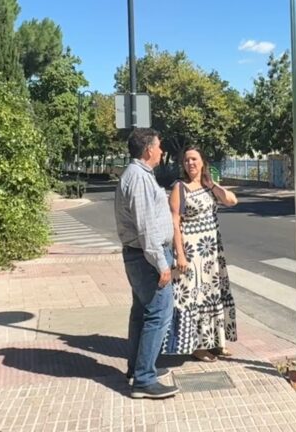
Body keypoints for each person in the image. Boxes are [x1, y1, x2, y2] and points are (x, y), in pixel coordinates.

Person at [114, 128, 179, 399]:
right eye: (159, 146)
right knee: (159, 314)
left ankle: (138, 369)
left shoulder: (138, 175)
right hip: (146, 256)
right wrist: (161, 263)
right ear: (148, 149)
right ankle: (143, 379)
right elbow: (146, 227)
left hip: (140, 255)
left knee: (141, 313)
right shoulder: (139, 178)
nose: (162, 151)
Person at [162, 145, 238, 362]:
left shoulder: (208, 186)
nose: (190, 164)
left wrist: (212, 184)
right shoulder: (180, 187)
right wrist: (180, 254)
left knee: (213, 293)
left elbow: (231, 201)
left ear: (203, 161)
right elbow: (174, 222)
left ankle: (216, 342)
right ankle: (196, 345)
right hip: (193, 251)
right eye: (186, 160)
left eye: (194, 159)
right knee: (195, 297)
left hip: (212, 251)